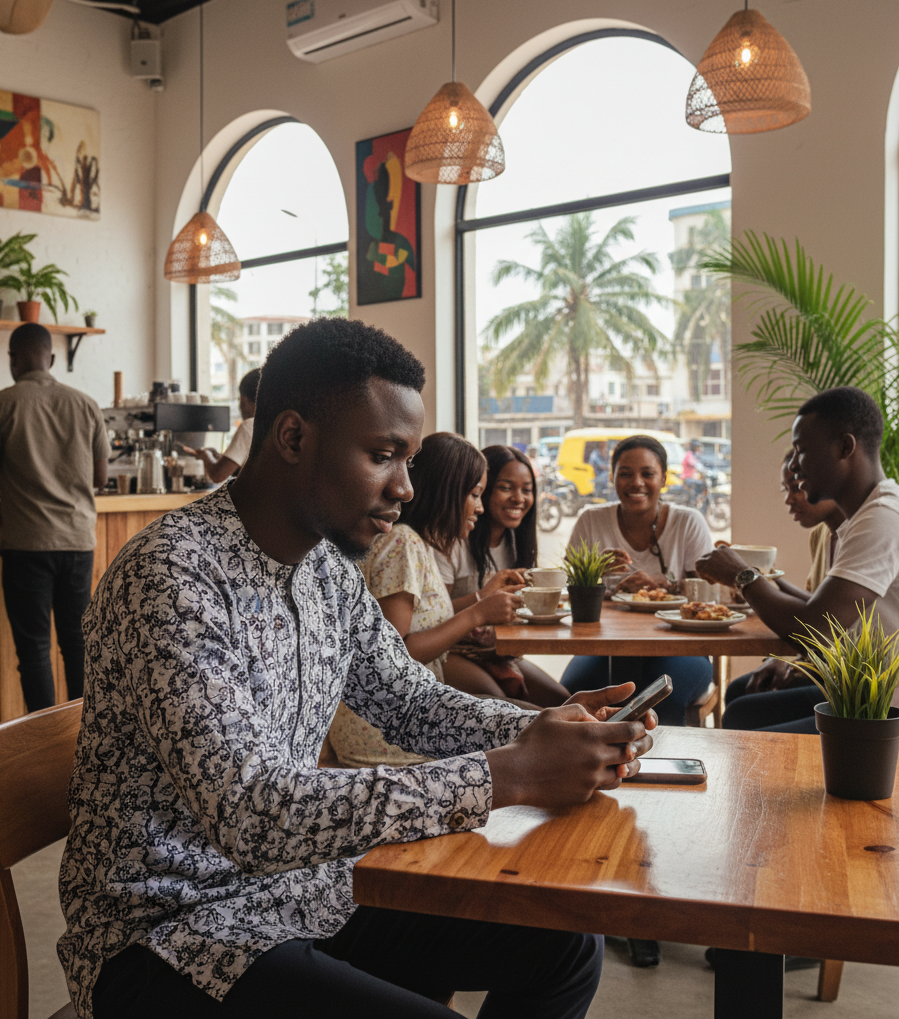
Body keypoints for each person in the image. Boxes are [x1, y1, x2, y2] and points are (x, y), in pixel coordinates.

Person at [60, 317, 656, 1019]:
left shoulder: (325, 569)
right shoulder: (172, 576)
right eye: (383, 455)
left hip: (296, 893)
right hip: (168, 937)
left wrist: (543, 729)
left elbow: (409, 702)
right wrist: (512, 773)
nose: (406, 487)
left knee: (566, 944)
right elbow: (253, 814)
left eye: (409, 460)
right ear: (292, 437)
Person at [698, 386, 899, 733]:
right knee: (742, 702)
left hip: (882, 711)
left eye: (802, 451)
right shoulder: (859, 519)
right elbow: (827, 616)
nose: (793, 465)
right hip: (856, 690)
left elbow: (817, 629)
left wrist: (742, 575)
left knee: (745, 741)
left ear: (845, 448)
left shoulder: (881, 519)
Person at [328, 433, 531, 769]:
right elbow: (396, 655)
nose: (480, 507)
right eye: (474, 494)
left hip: (403, 721)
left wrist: (483, 600)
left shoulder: (416, 544)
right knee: (531, 732)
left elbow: (422, 620)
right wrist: (477, 614)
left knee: (531, 717)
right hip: (384, 737)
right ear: (446, 492)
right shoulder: (403, 544)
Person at [0, 323, 108, 713]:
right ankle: (85, 736)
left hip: (27, 544)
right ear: (51, 359)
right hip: (78, 542)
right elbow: (101, 478)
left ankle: (46, 742)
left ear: (12, 359)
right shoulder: (86, 404)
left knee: (35, 649)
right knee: (77, 643)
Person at [561, 435, 713, 727]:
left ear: (664, 478)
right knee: (570, 696)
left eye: (647, 473)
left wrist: (661, 585)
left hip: (682, 648)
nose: (637, 483)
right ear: (612, 477)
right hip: (605, 648)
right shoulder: (591, 521)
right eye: (625, 474)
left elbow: (706, 596)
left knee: (660, 698)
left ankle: (661, 758)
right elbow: (569, 592)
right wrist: (596, 572)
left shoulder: (688, 522)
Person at [437, 444, 568, 707]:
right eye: (506, 488)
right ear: (482, 490)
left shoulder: (514, 542)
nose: (519, 498)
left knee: (562, 700)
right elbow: (432, 617)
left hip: (494, 651)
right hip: (448, 651)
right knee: (502, 705)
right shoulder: (454, 542)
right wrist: (482, 599)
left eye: (527, 490)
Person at [719, 453, 846, 720]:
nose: (789, 499)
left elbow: (825, 627)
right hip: (830, 666)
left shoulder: (862, 533)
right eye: (785, 489)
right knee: (738, 691)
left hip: (855, 683)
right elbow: (815, 606)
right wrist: (769, 578)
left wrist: (746, 578)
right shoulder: (822, 534)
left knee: (740, 712)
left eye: (798, 486)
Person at [189, 368, 260, 484]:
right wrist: (223, 458)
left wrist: (205, 455)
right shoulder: (280, 425)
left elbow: (218, 475)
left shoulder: (250, 426)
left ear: (244, 401)